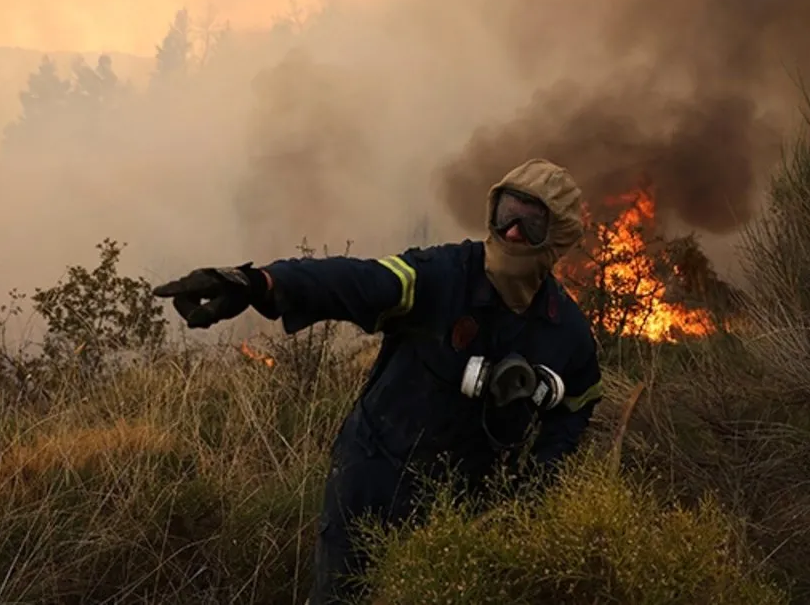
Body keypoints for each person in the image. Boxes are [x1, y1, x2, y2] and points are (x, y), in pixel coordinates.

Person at [151, 158, 604, 604]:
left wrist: (534, 489)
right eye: (507, 213)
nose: (510, 233)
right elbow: (358, 281)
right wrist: (259, 284)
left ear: (558, 238)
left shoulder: (566, 333)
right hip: (373, 479)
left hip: (464, 507)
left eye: (531, 222)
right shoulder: (440, 276)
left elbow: (576, 407)